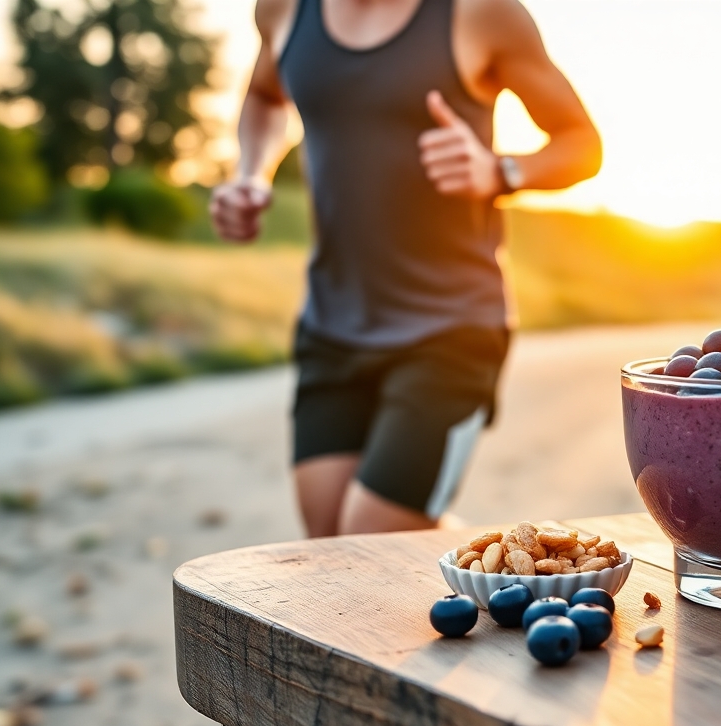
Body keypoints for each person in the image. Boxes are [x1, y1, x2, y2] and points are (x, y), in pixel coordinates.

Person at [209, 0, 601, 537]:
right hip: (332, 326)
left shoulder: (481, 14)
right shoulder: (283, 9)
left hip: (452, 330)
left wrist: (499, 170)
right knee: (329, 541)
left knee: (369, 536)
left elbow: (581, 143)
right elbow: (264, 95)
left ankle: (518, 567)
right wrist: (252, 173)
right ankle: (480, 560)